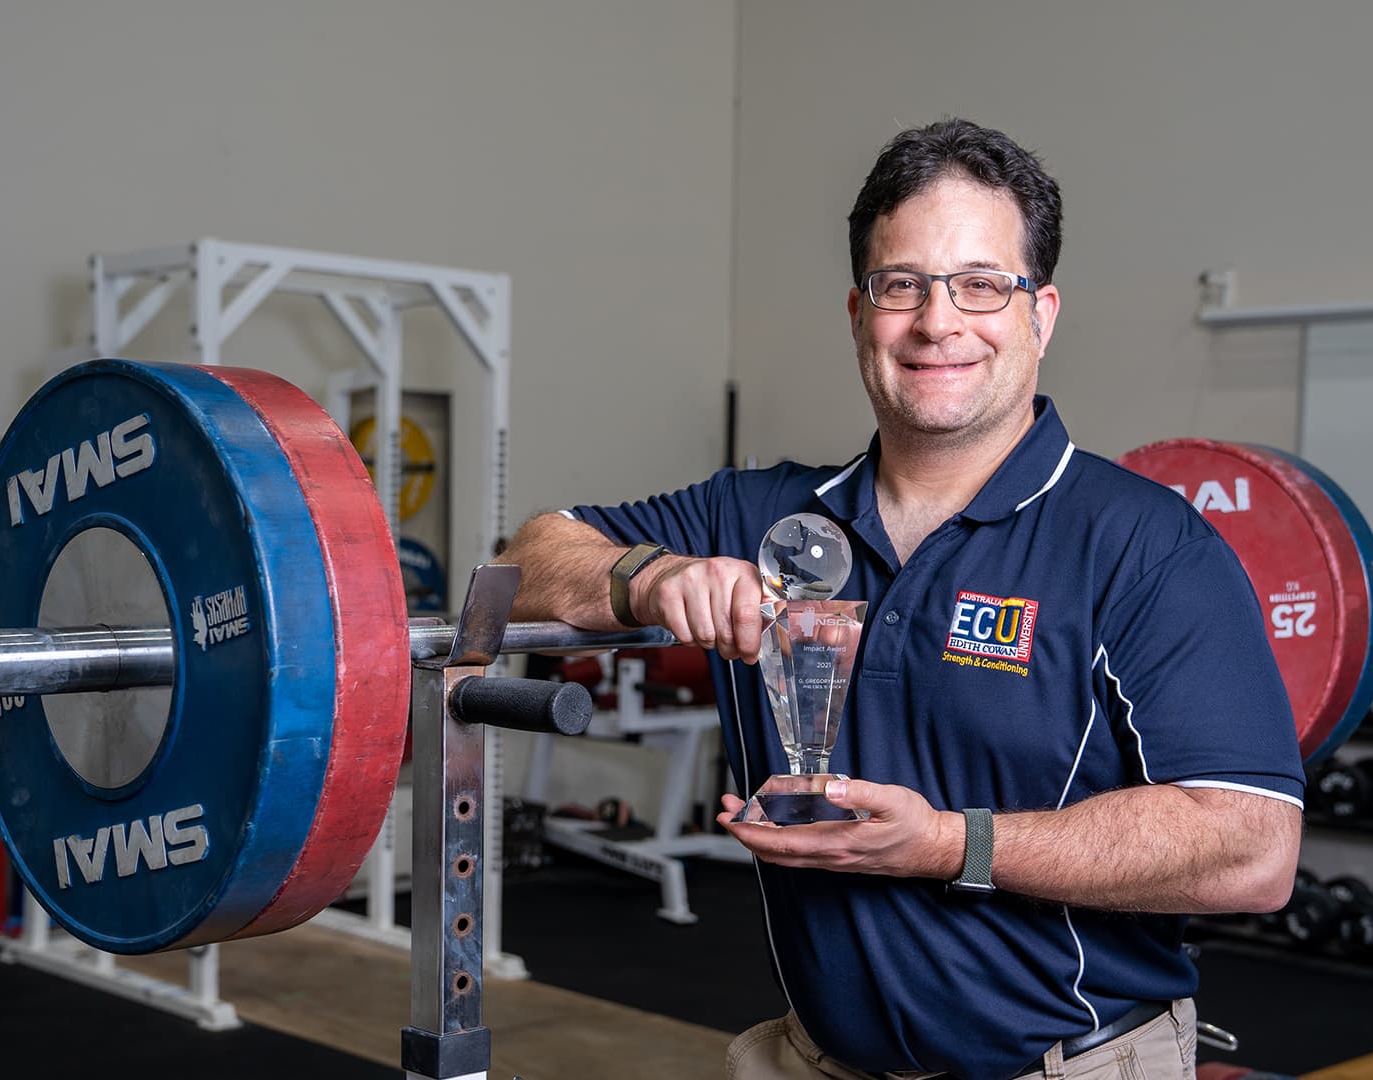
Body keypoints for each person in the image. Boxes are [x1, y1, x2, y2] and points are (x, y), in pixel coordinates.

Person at [500, 118, 1303, 1080]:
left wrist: (944, 845)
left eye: (980, 285)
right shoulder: (760, 510)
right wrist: (651, 576)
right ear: (858, 313)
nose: (937, 323)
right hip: (819, 1059)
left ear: (1040, 315)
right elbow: (526, 560)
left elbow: (1252, 850)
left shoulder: (1143, 545)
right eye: (902, 286)